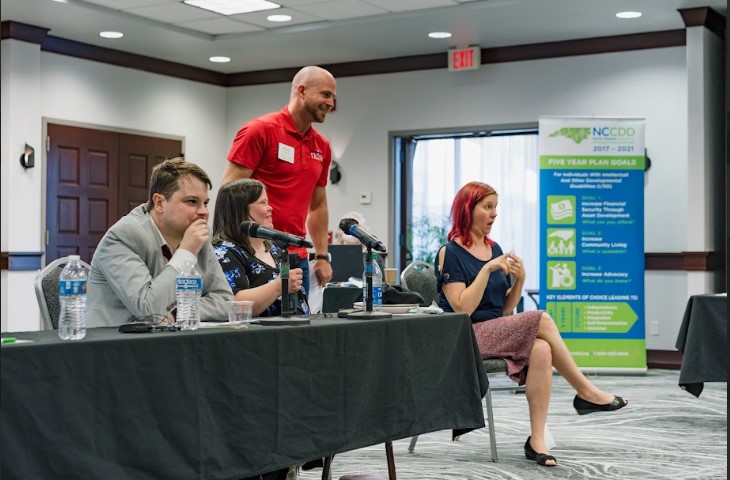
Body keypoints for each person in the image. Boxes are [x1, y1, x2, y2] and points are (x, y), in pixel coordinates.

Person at [437, 181, 628, 467]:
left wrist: (521, 279)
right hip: (464, 337)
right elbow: (463, 308)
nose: (494, 214)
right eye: (487, 207)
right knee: (542, 318)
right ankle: (586, 392)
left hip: (493, 330)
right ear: (468, 209)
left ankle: (536, 441)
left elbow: (502, 309)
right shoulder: (450, 252)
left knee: (541, 349)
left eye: (496, 208)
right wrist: (487, 269)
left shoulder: (494, 247)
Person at [221, 65, 335, 296]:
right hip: (257, 254)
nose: (331, 103)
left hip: (296, 256)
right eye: (325, 94)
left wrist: (321, 255)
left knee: (301, 328)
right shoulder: (260, 130)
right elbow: (228, 194)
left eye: (333, 96)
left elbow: (318, 205)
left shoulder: (321, 146)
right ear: (301, 91)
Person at [87, 157, 233, 327]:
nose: (203, 212)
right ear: (159, 203)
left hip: (167, 342)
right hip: (112, 346)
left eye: (205, 203)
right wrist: (186, 253)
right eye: (192, 201)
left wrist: (179, 312)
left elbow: (225, 300)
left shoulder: (200, 234)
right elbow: (149, 310)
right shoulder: (124, 235)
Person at [212, 178, 309, 317]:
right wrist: (278, 287)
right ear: (241, 210)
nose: (270, 208)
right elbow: (234, 304)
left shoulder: (275, 248)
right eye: (263, 203)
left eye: (267, 202)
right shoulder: (224, 253)